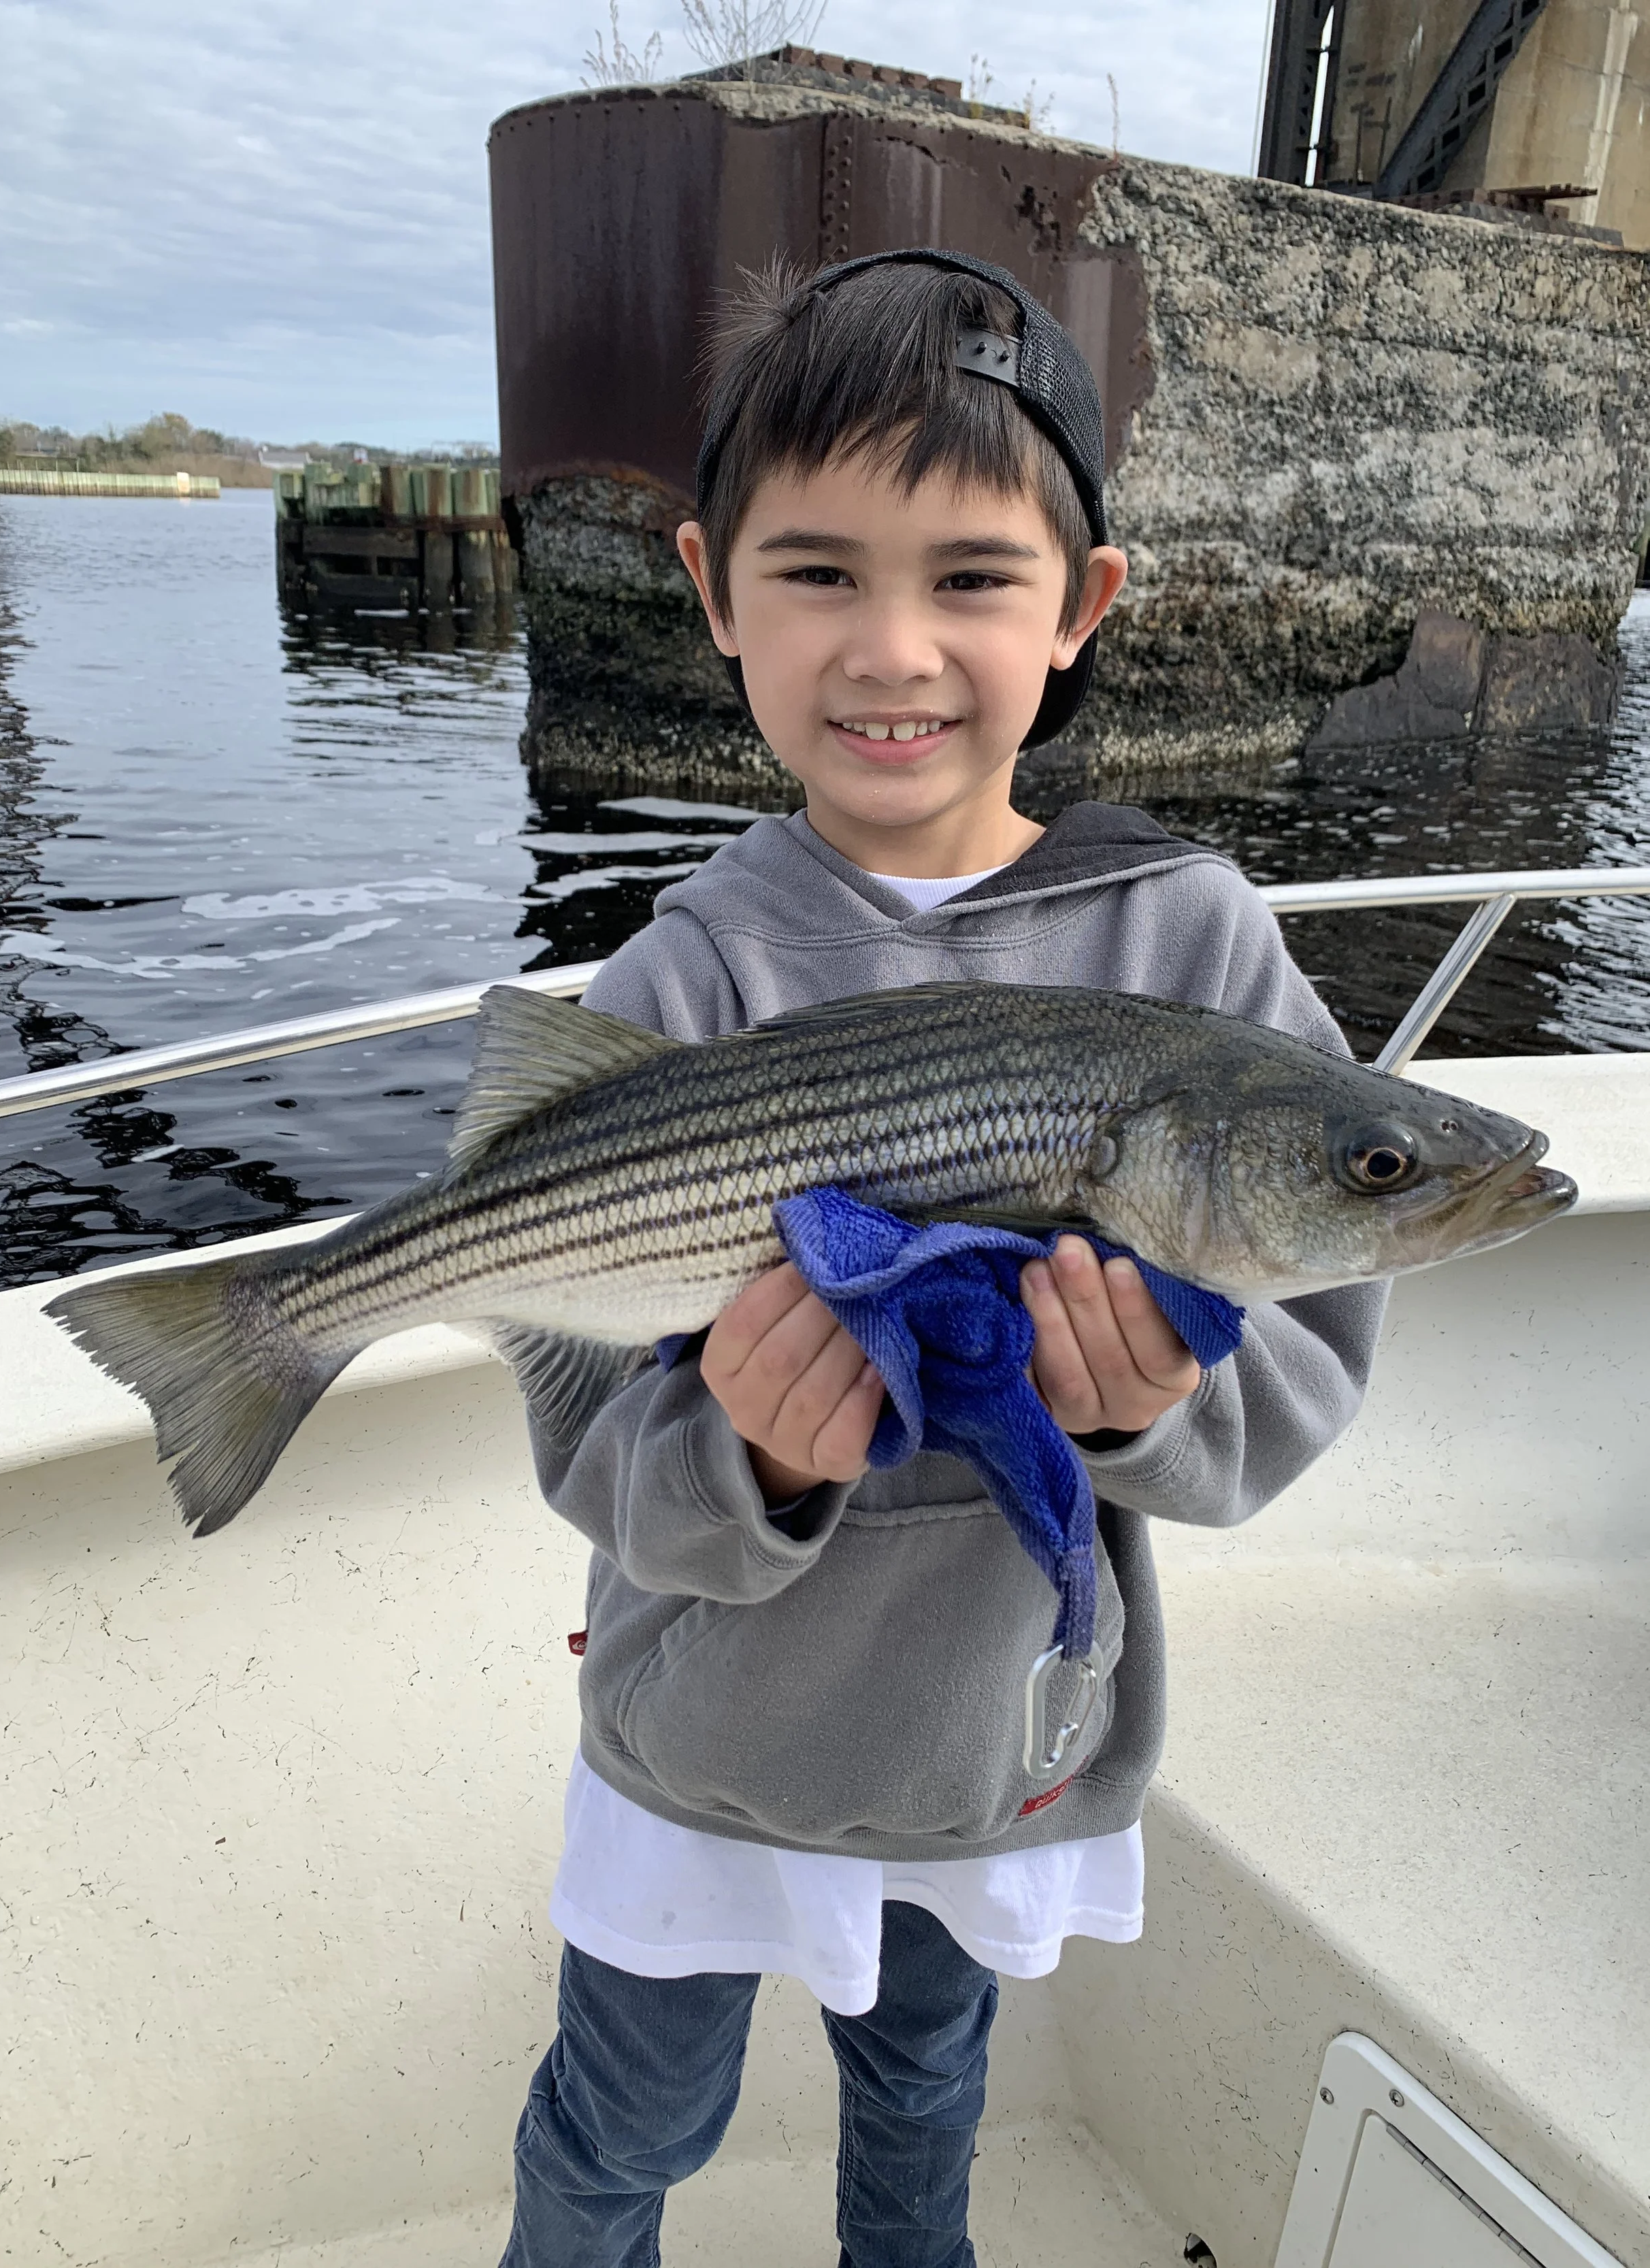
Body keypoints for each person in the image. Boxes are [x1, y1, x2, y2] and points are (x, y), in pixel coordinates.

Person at [499, 249, 1385, 2268]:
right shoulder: (675, 978)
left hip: (998, 1737)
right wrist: (759, 1458)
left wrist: (1159, 1406)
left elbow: (1306, 1340)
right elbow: (585, 1437)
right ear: (709, 586)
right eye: (817, 572)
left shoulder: (1191, 945)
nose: (891, 647)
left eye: (971, 577)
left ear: (1081, 608)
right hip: (704, 1737)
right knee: (623, 2114)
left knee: (928, 2089)